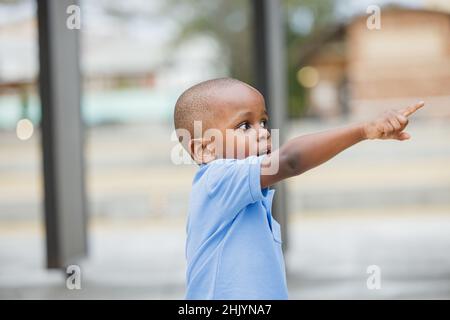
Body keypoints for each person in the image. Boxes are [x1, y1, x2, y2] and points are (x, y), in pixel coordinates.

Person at [173, 77, 425, 299]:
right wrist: (362, 130)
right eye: (244, 126)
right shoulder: (217, 179)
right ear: (205, 149)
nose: (263, 133)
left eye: (263, 122)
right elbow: (290, 161)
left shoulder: (243, 193)